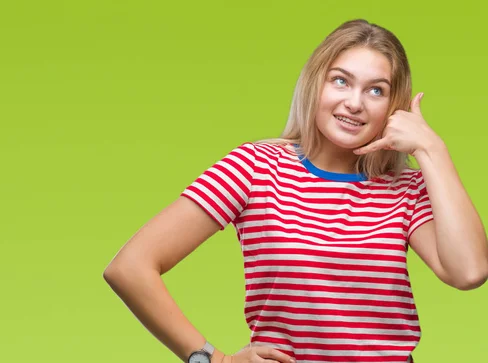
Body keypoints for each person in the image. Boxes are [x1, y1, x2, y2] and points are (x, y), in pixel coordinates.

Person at [103, 19, 488, 363]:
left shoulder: (405, 189)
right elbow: (130, 267)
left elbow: (469, 272)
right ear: (315, 82)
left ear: (394, 105)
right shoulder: (256, 167)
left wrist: (432, 149)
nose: (354, 103)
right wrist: (214, 360)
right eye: (341, 80)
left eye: (376, 90)